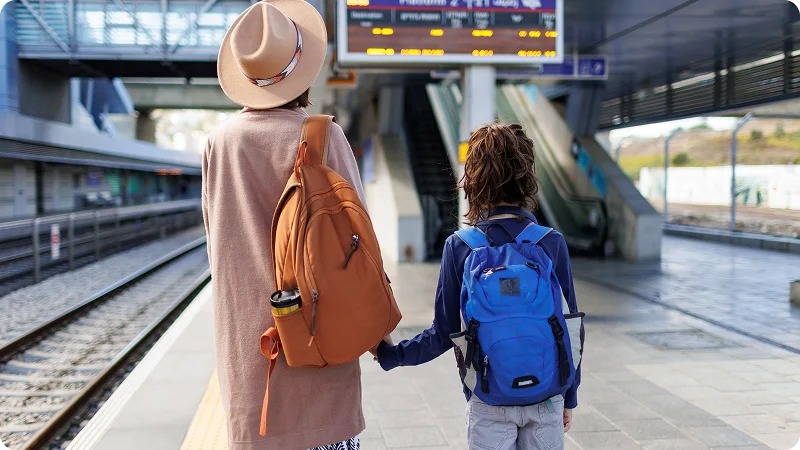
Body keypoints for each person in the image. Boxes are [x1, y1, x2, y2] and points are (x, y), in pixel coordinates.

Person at [204, 1, 368, 448]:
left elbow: (216, 243)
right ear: (304, 72)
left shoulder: (219, 144)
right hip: (321, 348)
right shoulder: (322, 135)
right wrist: (380, 331)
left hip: (250, 361)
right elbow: (360, 242)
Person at [377, 123, 584, 449]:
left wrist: (390, 355)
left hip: (489, 401)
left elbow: (443, 333)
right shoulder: (550, 243)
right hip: (546, 397)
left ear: (472, 177)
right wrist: (569, 395)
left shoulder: (461, 246)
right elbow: (570, 328)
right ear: (527, 174)